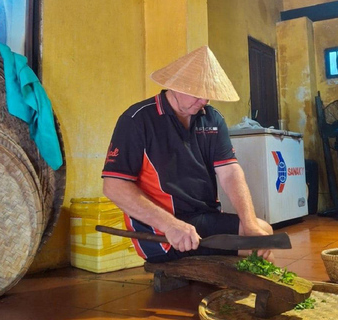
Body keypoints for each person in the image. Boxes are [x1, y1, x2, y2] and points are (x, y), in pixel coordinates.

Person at [102, 46, 274, 264]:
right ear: (175, 86)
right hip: (160, 230)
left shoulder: (212, 119)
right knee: (258, 247)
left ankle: (241, 294)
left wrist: (248, 224)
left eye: (208, 95)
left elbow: (230, 172)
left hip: (203, 218)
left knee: (261, 234)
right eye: (198, 93)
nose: (204, 101)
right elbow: (114, 186)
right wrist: (171, 225)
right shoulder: (137, 120)